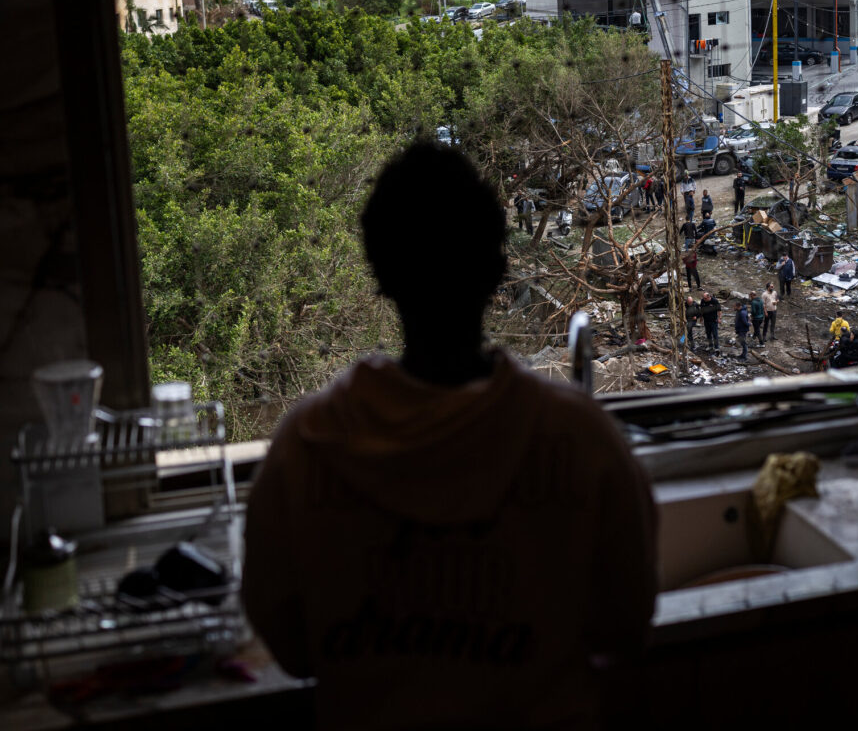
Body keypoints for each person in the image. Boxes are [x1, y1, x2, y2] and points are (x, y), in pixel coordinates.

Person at [243, 143, 657, 731]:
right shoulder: (581, 441)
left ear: (379, 274)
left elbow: (290, 647)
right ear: (496, 268)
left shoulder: (307, 447)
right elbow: (625, 625)